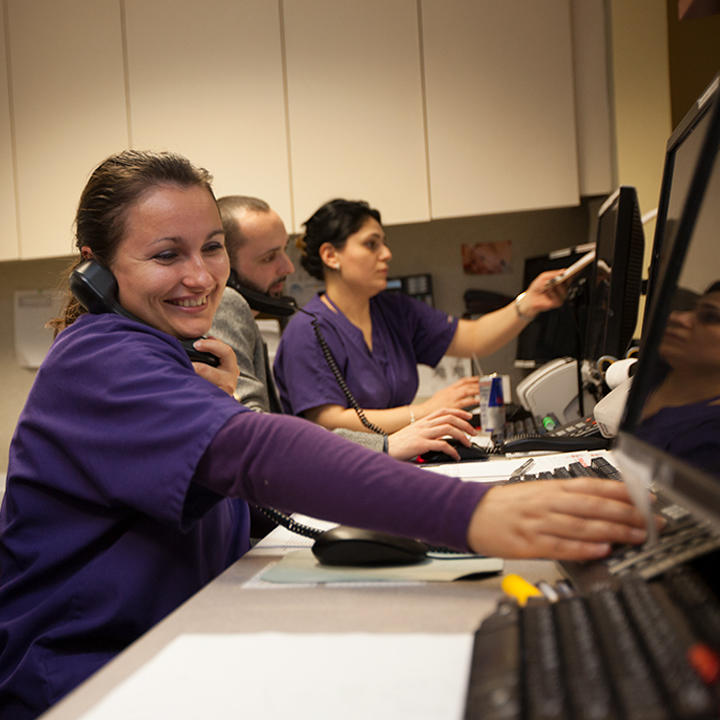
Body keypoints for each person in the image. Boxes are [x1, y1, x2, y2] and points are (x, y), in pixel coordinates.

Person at [0, 150, 653, 719]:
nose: (200, 276)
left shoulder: (175, 361)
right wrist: (473, 513)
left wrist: (217, 410)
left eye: (211, 247)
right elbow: (257, 452)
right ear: (97, 267)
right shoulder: (100, 358)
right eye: (166, 254)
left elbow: (226, 499)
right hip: (84, 682)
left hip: (162, 646)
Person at [211, 195, 479, 462]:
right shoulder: (230, 305)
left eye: (284, 252)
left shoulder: (247, 319)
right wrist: (386, 443)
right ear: (226, 267)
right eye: (270, 258)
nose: (288, 267)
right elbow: (253, 432)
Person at [273, 198, 568, 435]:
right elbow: (328, 422)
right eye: (371, 244)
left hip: (399, 458)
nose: (387, 254)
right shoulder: (308, 330)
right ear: (330, 256)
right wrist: (427, 411)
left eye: (384, 243)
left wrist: (527, 304)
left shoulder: (394, 311)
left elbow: (473, 338)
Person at [636, 281, 720, 474]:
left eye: (710, 317)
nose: (678, 318)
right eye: (692, 310)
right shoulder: (656, 374)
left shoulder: (711, 438)